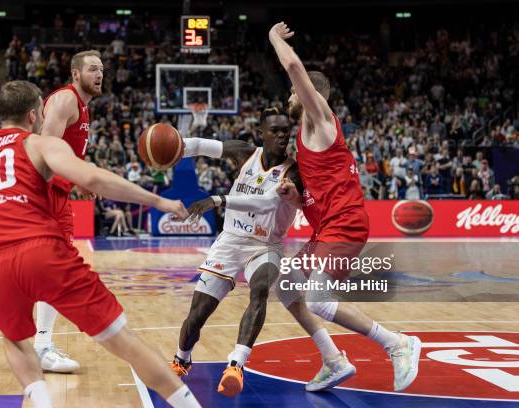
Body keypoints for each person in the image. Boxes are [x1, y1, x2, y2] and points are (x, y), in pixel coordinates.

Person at [0, 80, 199, 408]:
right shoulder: (40, 144)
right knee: (124, 342)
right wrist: (159, 201)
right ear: (32, 115)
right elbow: (94, 178)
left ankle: (43, 403)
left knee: (14, 340)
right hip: (40, 251)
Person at [268, 21, 421, 392]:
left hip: (346, 224)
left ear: (309, 94)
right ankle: (333, 360)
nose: (290, 96)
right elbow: (322, 194)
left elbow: (294, 68)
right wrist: (296, 198)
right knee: (285, 286)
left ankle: (397, 344)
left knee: (319, 301)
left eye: (294, 92)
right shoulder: (307, 142)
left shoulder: (320, 118)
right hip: (327, 226)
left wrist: (273, 38)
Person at [171, 108, 355, 397]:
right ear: (261, 134)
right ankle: (183, 357)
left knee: (260, 290)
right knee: (197, 316)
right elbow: (199, 145)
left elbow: (266, 204)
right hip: (231, 242)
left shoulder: (294, 170)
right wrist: (173, 147)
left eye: (286, 130)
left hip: (266, 246)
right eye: (276, 130)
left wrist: (218, 199)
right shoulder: (245, 152)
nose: (283, 135)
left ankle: (236, 364)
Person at [0, 50, 104, 372]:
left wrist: (76, 175)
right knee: (49, 265)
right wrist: (76, 175)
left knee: (18, 272)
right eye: (92, 69)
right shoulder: (65, 101)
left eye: (102, 69)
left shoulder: (80, 106)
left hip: (56, 190)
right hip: (45, 193)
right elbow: (41, 150)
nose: (100, 74)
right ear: (75, 74)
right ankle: (43, 345)